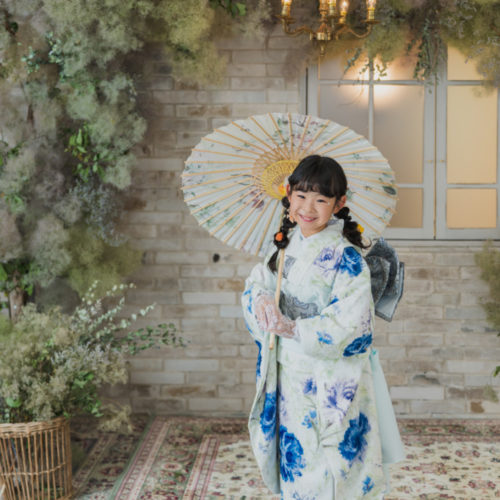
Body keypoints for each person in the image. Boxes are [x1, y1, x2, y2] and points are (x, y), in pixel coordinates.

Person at [241, 155, 403, 499]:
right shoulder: (284, 243)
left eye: (320, 200)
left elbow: (352, 324)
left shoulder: (346, 257)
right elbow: (258, 282)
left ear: (339, 204)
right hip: (289, 375)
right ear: (288, 194)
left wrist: (292, 328)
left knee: (329, 469)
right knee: (298, 465)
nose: (308, 208)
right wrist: (262, 301)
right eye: (301, 196)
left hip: (328, 379)